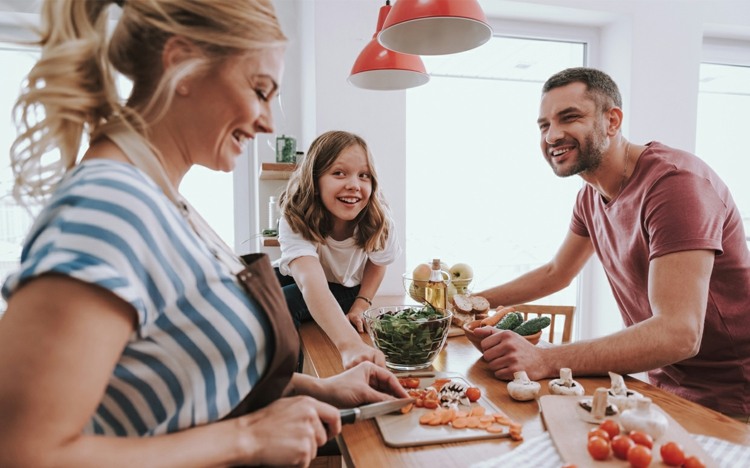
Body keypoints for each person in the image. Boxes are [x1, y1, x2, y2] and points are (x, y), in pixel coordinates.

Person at [0, 1, 409, 466]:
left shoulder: (162, 200)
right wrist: (248, 439)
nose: (268, 122)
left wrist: (320, 388)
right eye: (259, 90)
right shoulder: (108, 207)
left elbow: (183, 374)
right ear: (181, 63)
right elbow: (24, 453)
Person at [474, 67, 750, 420]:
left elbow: (679, 333)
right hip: (664, 386)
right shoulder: (589, 197)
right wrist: (473, 302)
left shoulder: (675, 184)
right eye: (543, 126)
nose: (552, 135)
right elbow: (556, 272)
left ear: (612, 121)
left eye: (569, 117)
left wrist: (545, 358)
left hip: (734, 399)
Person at [275, 130, 401, 369]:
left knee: (282, 304)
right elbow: (309, 280)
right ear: (314, 179)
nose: (354, 185)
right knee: (251, 291)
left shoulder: (378, 218)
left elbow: (379, 261)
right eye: (339, 173)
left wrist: (361, 304)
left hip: (344, 286)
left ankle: (290, 388)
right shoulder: (295, 216)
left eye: (364, 176)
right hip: (305, 276)